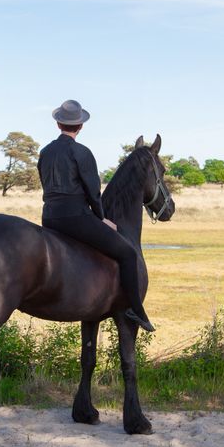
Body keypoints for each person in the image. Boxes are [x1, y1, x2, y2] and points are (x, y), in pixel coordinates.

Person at [37, 99, 154, 332]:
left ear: (58, 124)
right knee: (128, 253)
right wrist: (101, 218)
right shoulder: (81, 152)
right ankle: (135, 309)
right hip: (76, 218)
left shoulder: (45, 152)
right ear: (80, 126)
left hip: (49, 217)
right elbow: (93, 192)